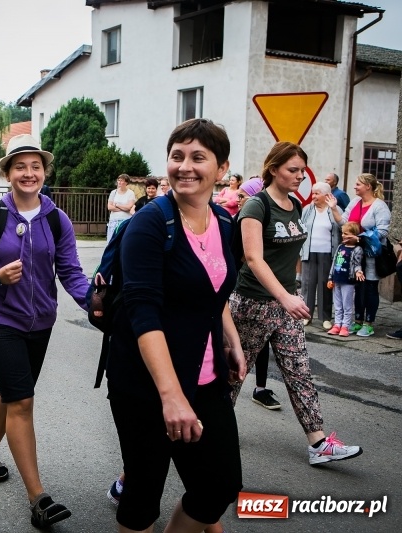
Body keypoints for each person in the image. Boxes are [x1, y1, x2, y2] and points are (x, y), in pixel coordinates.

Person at [106, 119, 245, 533]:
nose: (185, 166)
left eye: (198, 157)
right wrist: (171, 397)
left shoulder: (224, 223)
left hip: (206, 378)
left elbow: (213, 290)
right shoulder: (150, 224)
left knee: (219, 486)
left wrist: (232, 340)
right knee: (143, 493)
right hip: (146, 384)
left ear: (221, 169)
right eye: (177, 156)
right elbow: (143, 311)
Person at [0, 134, 90, 528]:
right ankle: (38, 498)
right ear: (8, 173)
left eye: (35, 166)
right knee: (22, 401)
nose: (29, 173)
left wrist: (96, 305)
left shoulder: (56, 219)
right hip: (0, 321)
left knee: (13, 390)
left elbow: (70, 271)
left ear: (44, 172)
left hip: (41, 323)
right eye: (20, 166)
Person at [230, 141, 363, 466]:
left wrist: (294, 291)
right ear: (274, 169)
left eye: (303, 170)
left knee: (299, 371)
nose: (300, 176)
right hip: (252, 303)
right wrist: (284, 295)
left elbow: (292, 254)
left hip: (286, 304)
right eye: (293, 170)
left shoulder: (293, 205)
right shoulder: (257, 206)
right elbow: (253, 258)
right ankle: (207, 431)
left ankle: (318, 443)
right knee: (234, 374)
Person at [234, 176, 280, 410]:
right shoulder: (237, 219)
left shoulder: (264, 218)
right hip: (241, 289)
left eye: (242, 196)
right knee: (237, 345)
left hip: (269, 290)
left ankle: (260, 389)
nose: (237, 199)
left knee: (262, 343)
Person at [343, 173, 391, 337]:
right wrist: (333, 208)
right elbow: (344, 221)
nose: (355, 187)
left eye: (358, 184)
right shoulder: (355, 202)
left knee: (370, 286)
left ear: (368, 186)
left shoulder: (379, 206)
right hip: (356, 252)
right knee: (358, 286)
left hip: (371, 254)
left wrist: (359, 238)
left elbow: (383, 231)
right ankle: (357, 321)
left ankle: (368, 323)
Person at [299, 182, 344, 330]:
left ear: (326, 195)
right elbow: (300, 227)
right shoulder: (307, 209)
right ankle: (306, 315)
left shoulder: (335, 209)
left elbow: (343, 226)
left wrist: (334, 209)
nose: (313, 196)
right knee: (307, 285)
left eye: (317, 193)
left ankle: (326, 317)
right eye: (313, 193)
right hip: (309, 252)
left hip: (328, 253)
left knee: (326, 285)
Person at [326, 222, 364, 336]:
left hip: (348, 281)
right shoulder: (340, 247)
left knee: (347, 305)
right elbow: (334, 263)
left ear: (354, 235)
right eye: (342, 233)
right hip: (337, 279)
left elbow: (357, 263)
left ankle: (345, 326)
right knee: (337, 304)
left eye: (346, 234)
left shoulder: (357, 249)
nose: (343, 236)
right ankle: (337, 324)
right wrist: (330, 277)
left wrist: (358, 271)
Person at [106, 174, 135, 242]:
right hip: (114, 220)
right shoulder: (113, 192)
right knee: (111, 241)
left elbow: (129, 207)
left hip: (125, 220)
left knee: (122, 241)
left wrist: (117, 205)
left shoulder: (130, 193)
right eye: (118, 180)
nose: (119, 182)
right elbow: (109, 207)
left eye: (122, 181)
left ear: (126, 182)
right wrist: (123, 208)